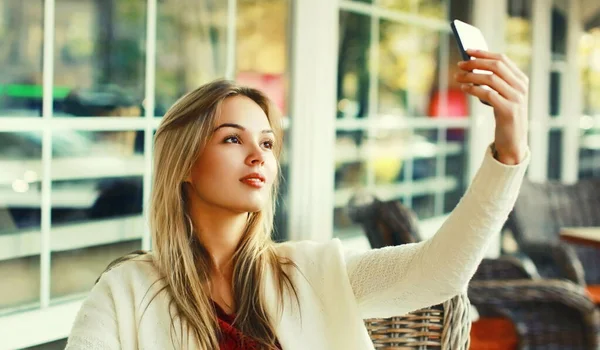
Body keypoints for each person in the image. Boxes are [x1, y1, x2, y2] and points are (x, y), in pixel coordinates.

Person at [65, 49, 530, 350]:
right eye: (232, 140)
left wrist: (508, 152)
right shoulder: (124, 290)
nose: (257, 156)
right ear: (185, 163)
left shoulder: (312, 271)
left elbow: (439, 271)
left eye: (267, 144)